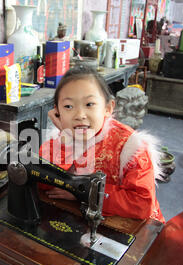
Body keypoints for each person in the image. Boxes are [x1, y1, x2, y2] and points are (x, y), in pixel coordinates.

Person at [42, 66, 164, 223]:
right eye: (68, 107)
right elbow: (43, 184)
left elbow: (141, 203)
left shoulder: (131, 148)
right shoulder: (60, 137)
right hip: (84, 218)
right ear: (57, 112)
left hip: (134, 227)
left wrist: (82, 192)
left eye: (89, 104)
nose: (79, 115)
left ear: (108, 108)